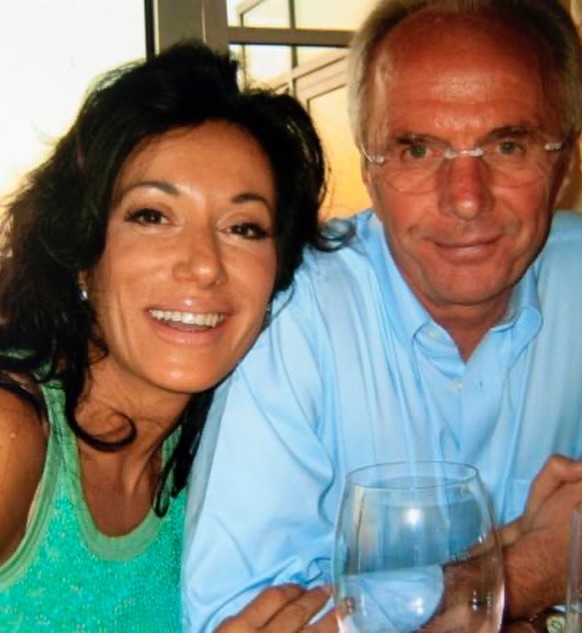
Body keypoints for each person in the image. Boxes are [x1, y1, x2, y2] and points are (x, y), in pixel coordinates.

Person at [183, 0, 582, 630]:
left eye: (508, 144)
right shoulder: (293, 309)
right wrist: (528, 569)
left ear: (562, 162)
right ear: (369, 169)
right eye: (419, 150)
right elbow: (240, 620)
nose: (468, 199)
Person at [0, 41, 343, 631]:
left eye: (243, 227)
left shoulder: (239, 451)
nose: (204, 265)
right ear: (83, 252)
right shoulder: (13, 435)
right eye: (152, 217)